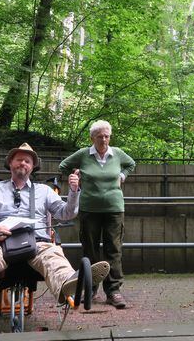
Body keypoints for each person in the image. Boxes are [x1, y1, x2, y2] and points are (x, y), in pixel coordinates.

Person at [0, 143, 110, 309]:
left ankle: (69, 282)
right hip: (0, 243)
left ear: (32, 167)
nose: (22, 163)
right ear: (10, 163)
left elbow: (67, 214)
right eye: (18, 159)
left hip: (37, 242)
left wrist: (73, 192)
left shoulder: (44, 191)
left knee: (53, 256)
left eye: (27, 161)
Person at [59, 120, 136, 309]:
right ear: (92, 137)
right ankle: (90, 289)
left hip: (114, 209)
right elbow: (63, 166)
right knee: (90, 249)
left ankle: (113, 291)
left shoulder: (117, 154)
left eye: (107, 136)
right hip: (89, 210)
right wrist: (75, 176)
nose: (104, 139)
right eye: (100, 136)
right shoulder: (84, 155)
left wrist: (122, 176)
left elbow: (131, 164)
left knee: (114, 249)